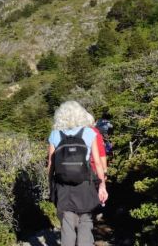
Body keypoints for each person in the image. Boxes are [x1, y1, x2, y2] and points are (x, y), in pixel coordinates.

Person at [48, 101, 108, 246]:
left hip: (63, 187)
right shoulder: (88, 133)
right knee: (85, 222)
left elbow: (50, 165)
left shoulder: (55, 135)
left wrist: (51, 187)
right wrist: (102, 185)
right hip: (85, 185)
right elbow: (98, 163)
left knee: (67, 224)